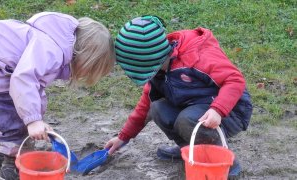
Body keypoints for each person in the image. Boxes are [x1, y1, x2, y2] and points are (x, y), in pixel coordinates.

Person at [0, 12, 115, 180]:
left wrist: (38, 118)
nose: (83, 75)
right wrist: (32, 121)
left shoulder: (53, 40)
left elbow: (33, 87)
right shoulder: (51, 51)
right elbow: (24, 79)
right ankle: (10, 171)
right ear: (84, 56)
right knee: (19, 124)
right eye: (89, 70)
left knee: (13, 119)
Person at [104, 15, 252, 179]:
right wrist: (123, 137)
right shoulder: (158, 71)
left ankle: (223, 161)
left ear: (150, 60)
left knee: (186, 119)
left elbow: (235, 80)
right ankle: (190, 150)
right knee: (157, 108)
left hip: (230, 112)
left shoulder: (198, 58)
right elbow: (144, 107)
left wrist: (218, 110)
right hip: (194, 109)